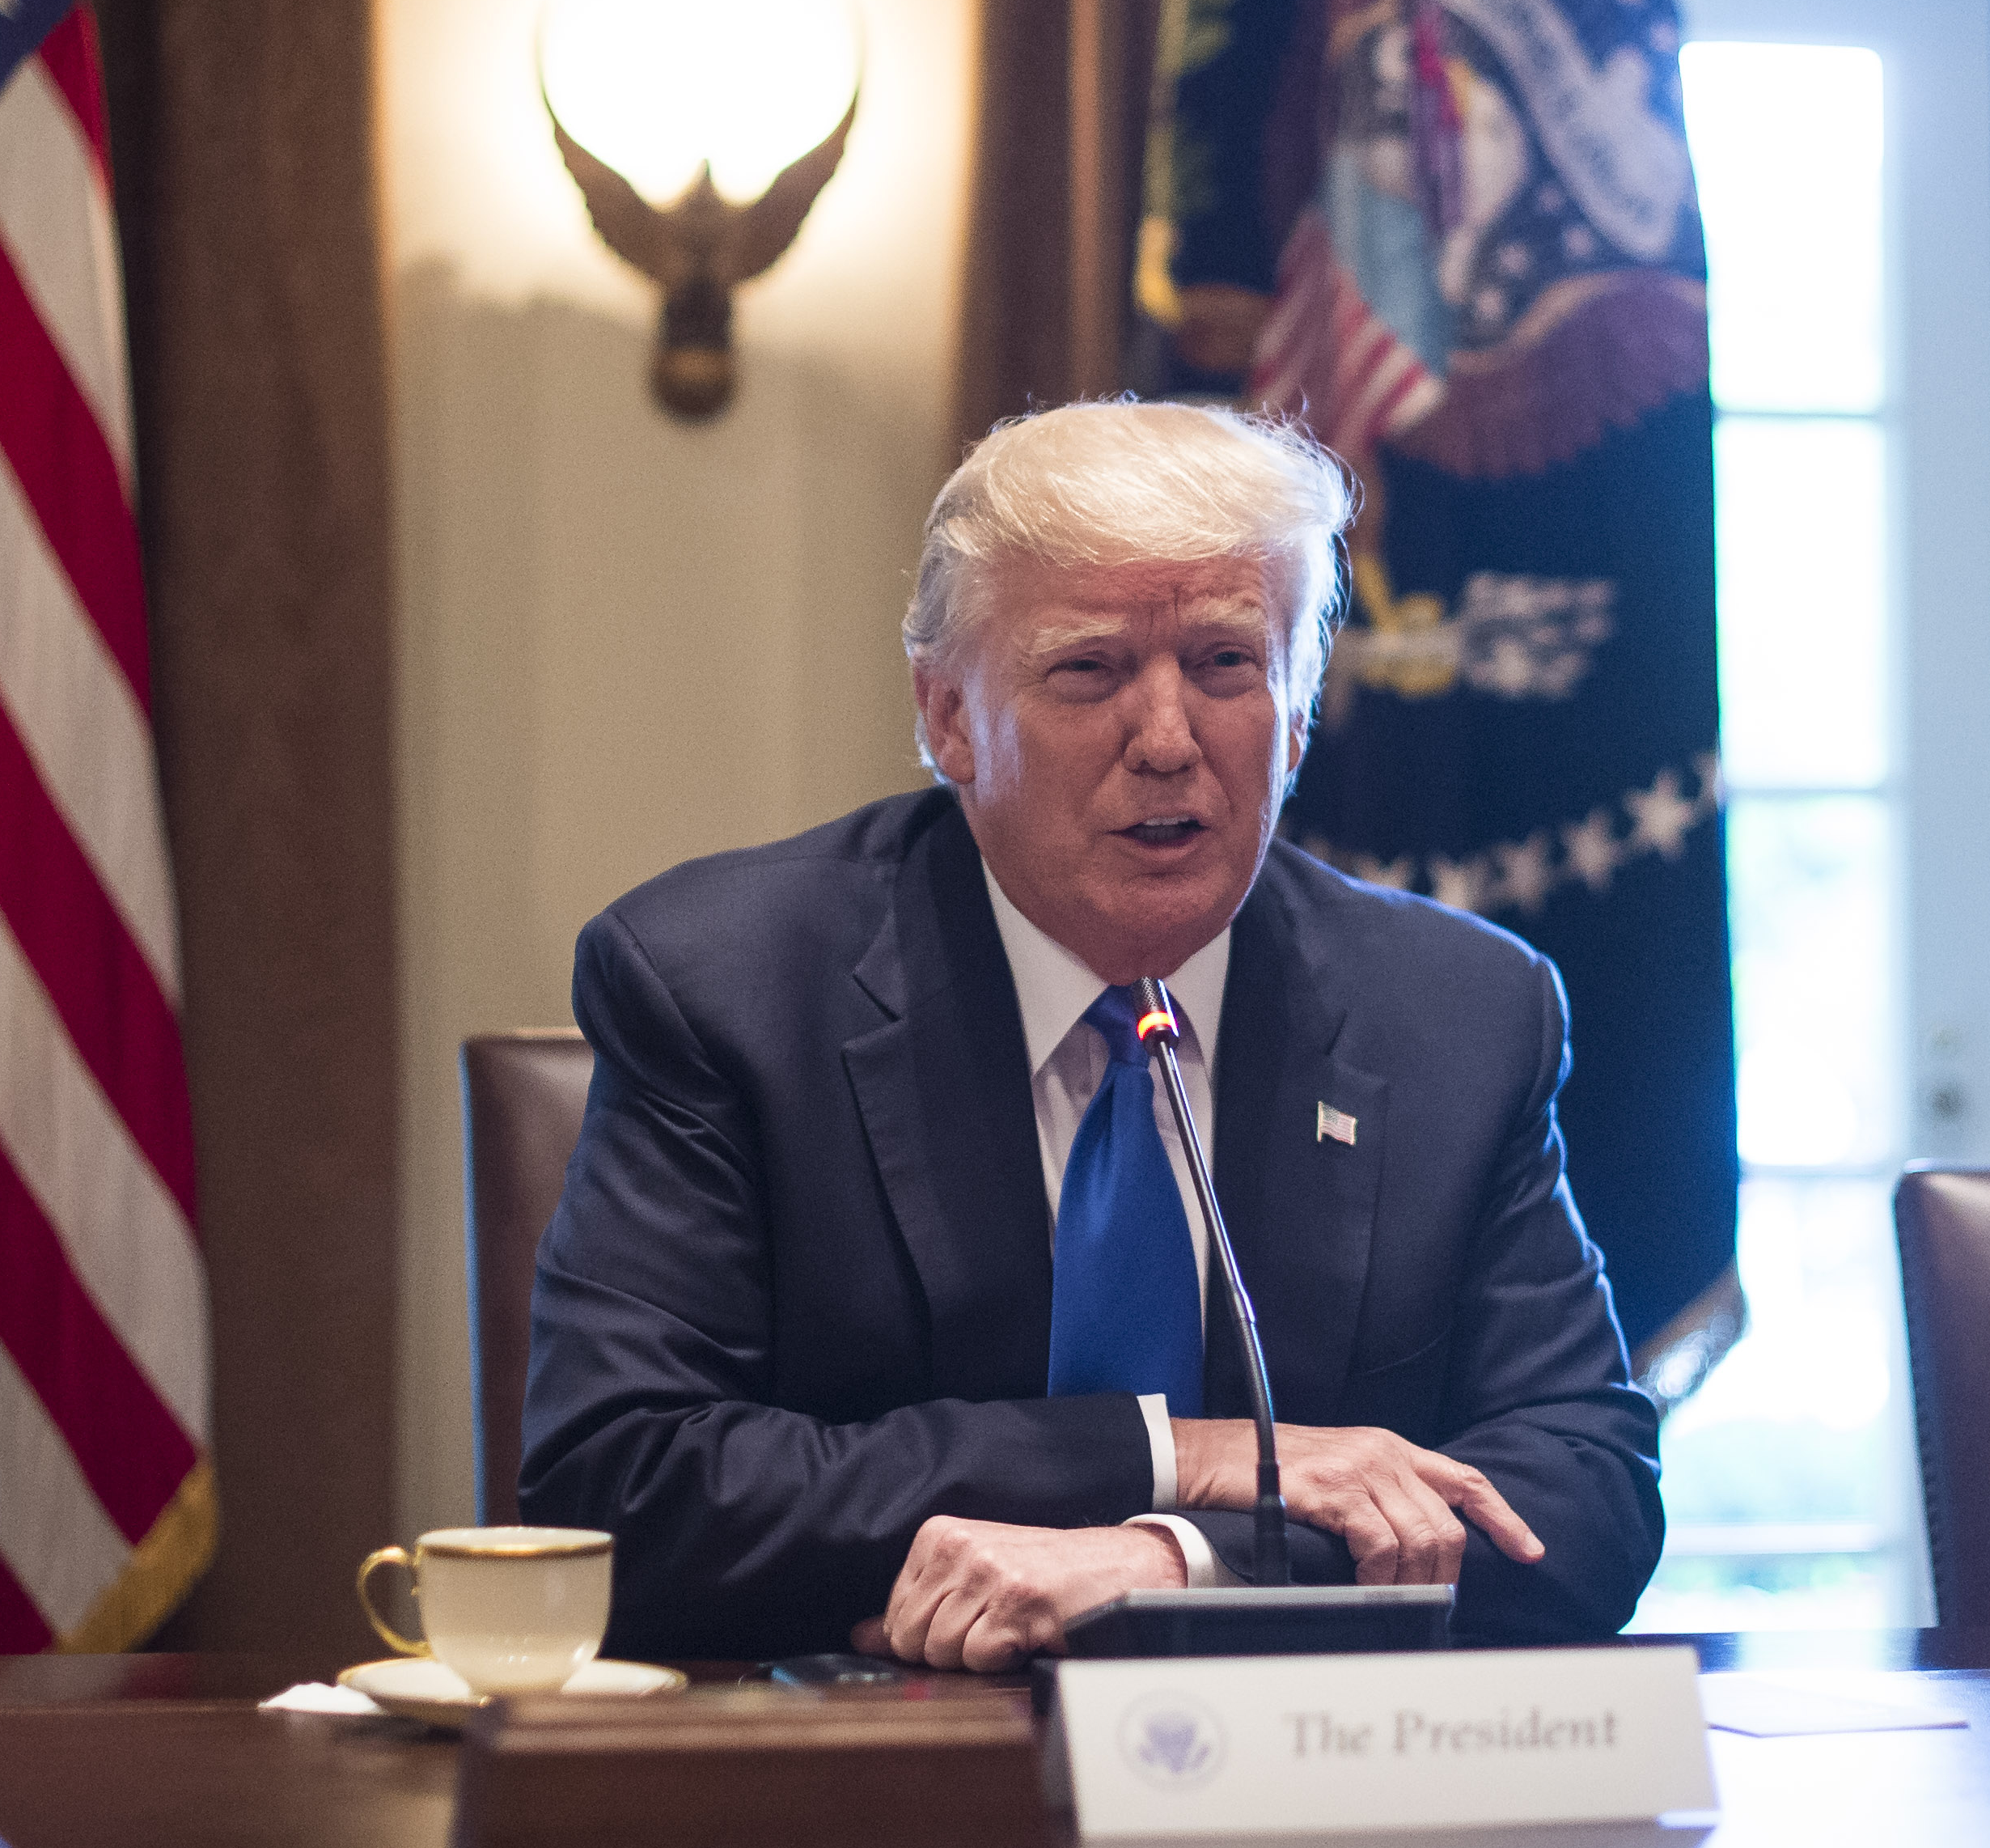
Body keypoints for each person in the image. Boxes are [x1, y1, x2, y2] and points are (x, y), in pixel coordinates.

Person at [520, 398, 1662, 1664]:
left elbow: (1579, 1495)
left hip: (1320, 1808)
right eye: (1089, 670)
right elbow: (622, 1489)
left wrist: (1176, 1559)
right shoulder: (722, 985)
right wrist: (1183, 1455)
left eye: (1227, 664)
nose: (1168, 740)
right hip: (875, 1784)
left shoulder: (1457, 1012)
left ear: (1297, 711)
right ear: (949, 716)